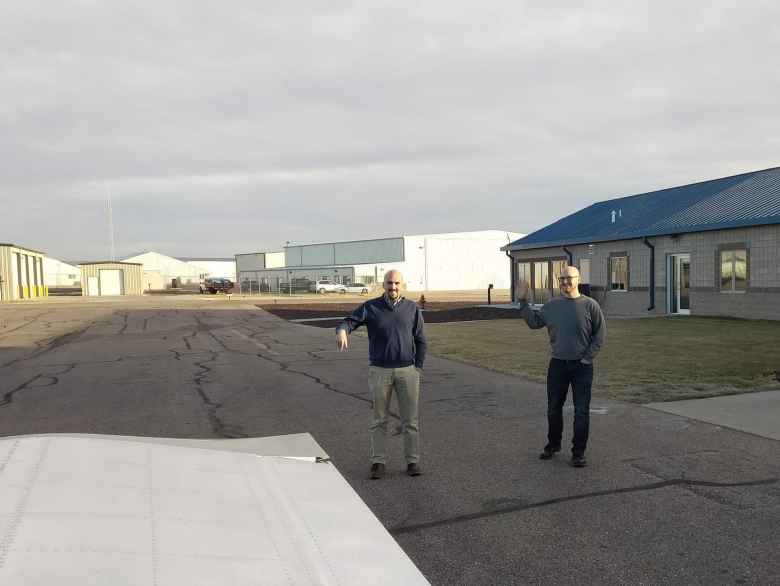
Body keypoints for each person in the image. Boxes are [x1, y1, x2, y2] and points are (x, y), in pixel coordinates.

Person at [336, 270, 426, 479]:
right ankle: (378, 462)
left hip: (407, 371)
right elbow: (349, 322)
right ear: (383, 284)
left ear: (402, 285)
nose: (392, 287)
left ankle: (412, 461)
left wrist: (417, 368)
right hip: (379, 371)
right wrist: (342, 330)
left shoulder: (412, 309)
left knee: (410, 420)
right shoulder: (371, 307)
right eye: (389, 283)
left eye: (396, 283)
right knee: (379, 420)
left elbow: (421, 340)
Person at [516, 265, 605, 467]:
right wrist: (522, 302)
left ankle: (578, 452)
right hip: (558, 365)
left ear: (578, 279)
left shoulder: (590, 305)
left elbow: (599, 335)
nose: (565, 282)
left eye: (569, 278)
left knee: (581, 410)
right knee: (554, 408)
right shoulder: (551, 305)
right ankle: (553, 445)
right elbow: (534, 322)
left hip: (582, 367)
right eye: (561, 278)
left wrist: (587, 358)